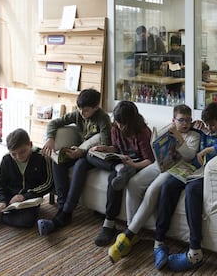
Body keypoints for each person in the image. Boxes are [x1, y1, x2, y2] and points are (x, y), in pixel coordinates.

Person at [153, 102, 217, 272]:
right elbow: (186, 132)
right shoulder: (202, 130)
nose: (209, 128)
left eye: (213, 124)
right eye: (207, 124)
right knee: (168, 186)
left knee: (192, 190)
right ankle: (159, 242)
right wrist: (195, 126)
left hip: (205, 175)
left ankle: (195, 251)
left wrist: (209, 149)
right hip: (192, 170)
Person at [108, 104, 200, 264]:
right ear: (174, 120)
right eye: (181, 120)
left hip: (176, 169)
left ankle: (128, 235)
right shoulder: (168, 129)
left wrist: (179, 137)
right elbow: (155, 147)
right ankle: (134, 232)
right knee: (133, 183)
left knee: (152, 191)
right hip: (160, 164)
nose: (185, 123)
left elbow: (190, 155)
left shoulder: (194, 135)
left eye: (188, 120)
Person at [37, 88, 112, 235]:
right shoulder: (78, 114)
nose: (82, 113)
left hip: (92, 155)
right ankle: (62, 206)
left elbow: (104, 144)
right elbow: (54, 123)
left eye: (86, 110)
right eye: (79, 109)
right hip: (78, 150)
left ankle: (66, 211)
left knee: (80, 165)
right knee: (57, 160)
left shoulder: (103, 119)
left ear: (96, 107)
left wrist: (82, 151)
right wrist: (50, 138)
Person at [90, 101, 157, 247]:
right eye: (118, 122)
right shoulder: (115, 128)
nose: (119, 126)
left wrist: (133, 164)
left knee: (113, 179)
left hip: (137, 164)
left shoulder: (143, 132)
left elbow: (149, 161)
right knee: (89, 155)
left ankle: (108, 224)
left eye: (122, 124)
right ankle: (119, 168)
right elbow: (116, 147)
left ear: (131, 121)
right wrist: (105, 148)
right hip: (121, 162)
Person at [0, 128, 53, 228]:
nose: (18, 156)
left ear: (30, 144)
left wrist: (24, 196)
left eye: (22, 152)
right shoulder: (6, 159)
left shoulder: (41, 157)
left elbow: (48, 183)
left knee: (26, 221)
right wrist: (2, 201)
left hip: (29, 199)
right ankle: (3, 212)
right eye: (14, 154)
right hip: (8, 195)